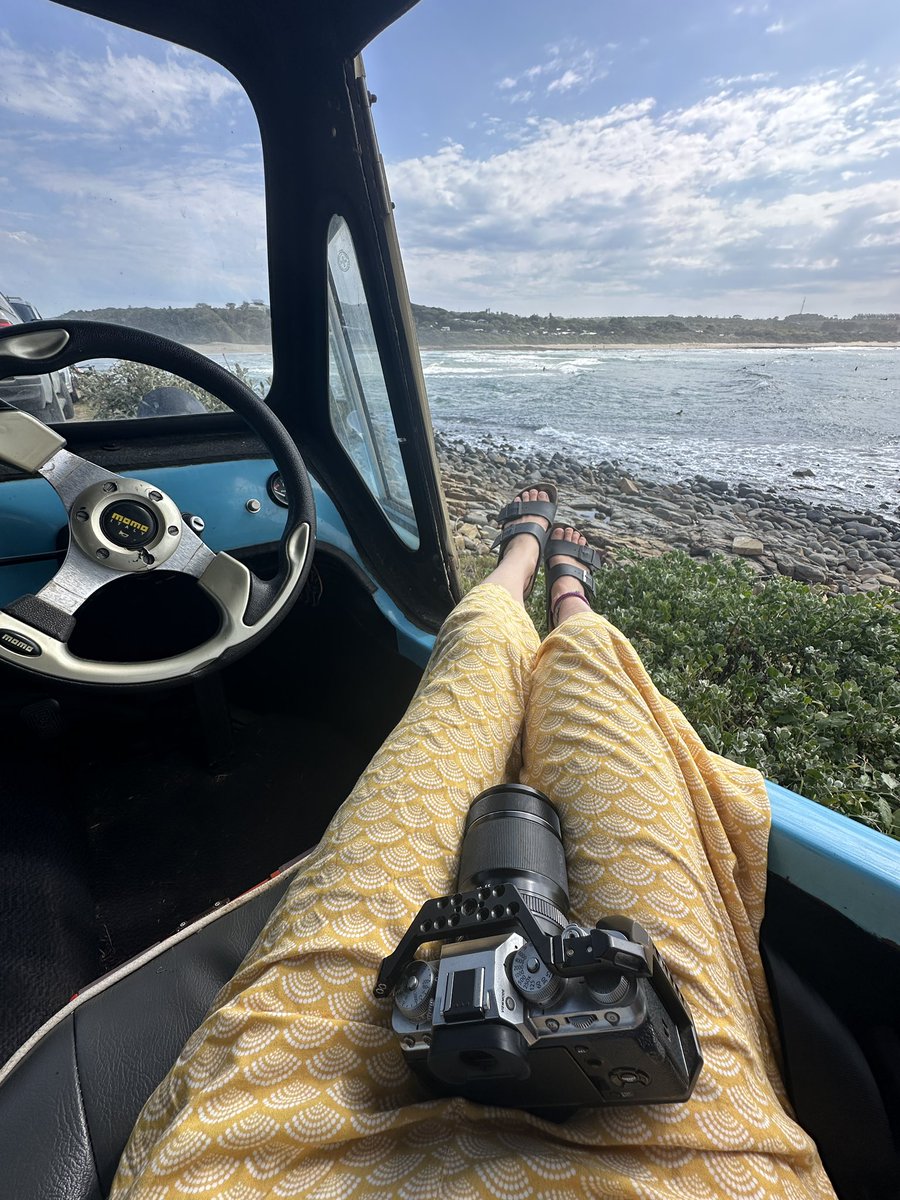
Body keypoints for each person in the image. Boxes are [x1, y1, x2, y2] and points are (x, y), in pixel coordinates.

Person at [111, 487, 836, 1199]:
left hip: (259, 1156)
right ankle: (569, 604)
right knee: (589, 677)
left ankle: (515, 567)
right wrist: (595, 985)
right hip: (690, 1166)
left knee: (467, 676)